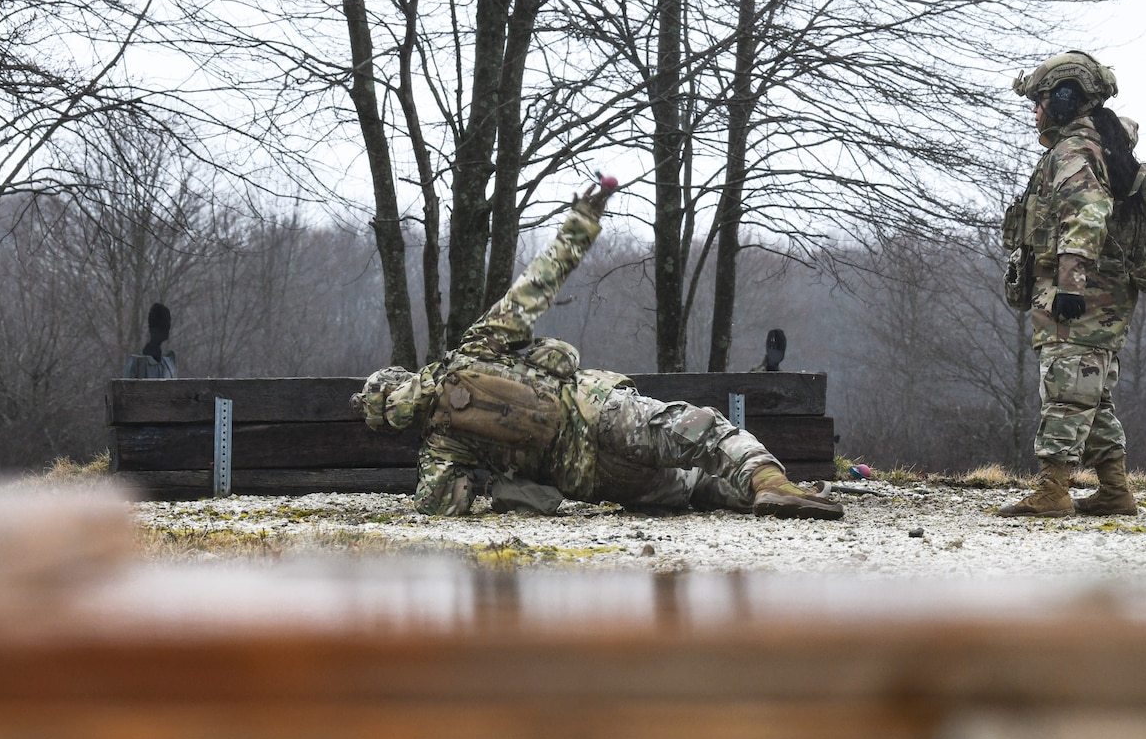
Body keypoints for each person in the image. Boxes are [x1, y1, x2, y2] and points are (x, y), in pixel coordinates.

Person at [356, 179, 842, 520]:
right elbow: (537, 284)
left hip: (585, 476)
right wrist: (583, 223)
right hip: (599, 411)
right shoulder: (471, 351)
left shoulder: (441, 444)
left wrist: (456, 483)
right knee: (702, 432)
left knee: (689, 488)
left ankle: (754, 495)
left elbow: (449, 504)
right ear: (405, 377)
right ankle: (772, 485)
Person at [998, 51, 1142, 518]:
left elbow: (1087, 213)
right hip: (1096, 294)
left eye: (1040, 101)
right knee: (1091, 395)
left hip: (1080, 295)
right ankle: (1115, 491)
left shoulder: (1074, 151)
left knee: (1065, 389)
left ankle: (1052, 491)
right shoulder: (1096, 145)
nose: (1035, 111)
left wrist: (1069, 284)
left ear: (1063, 100)